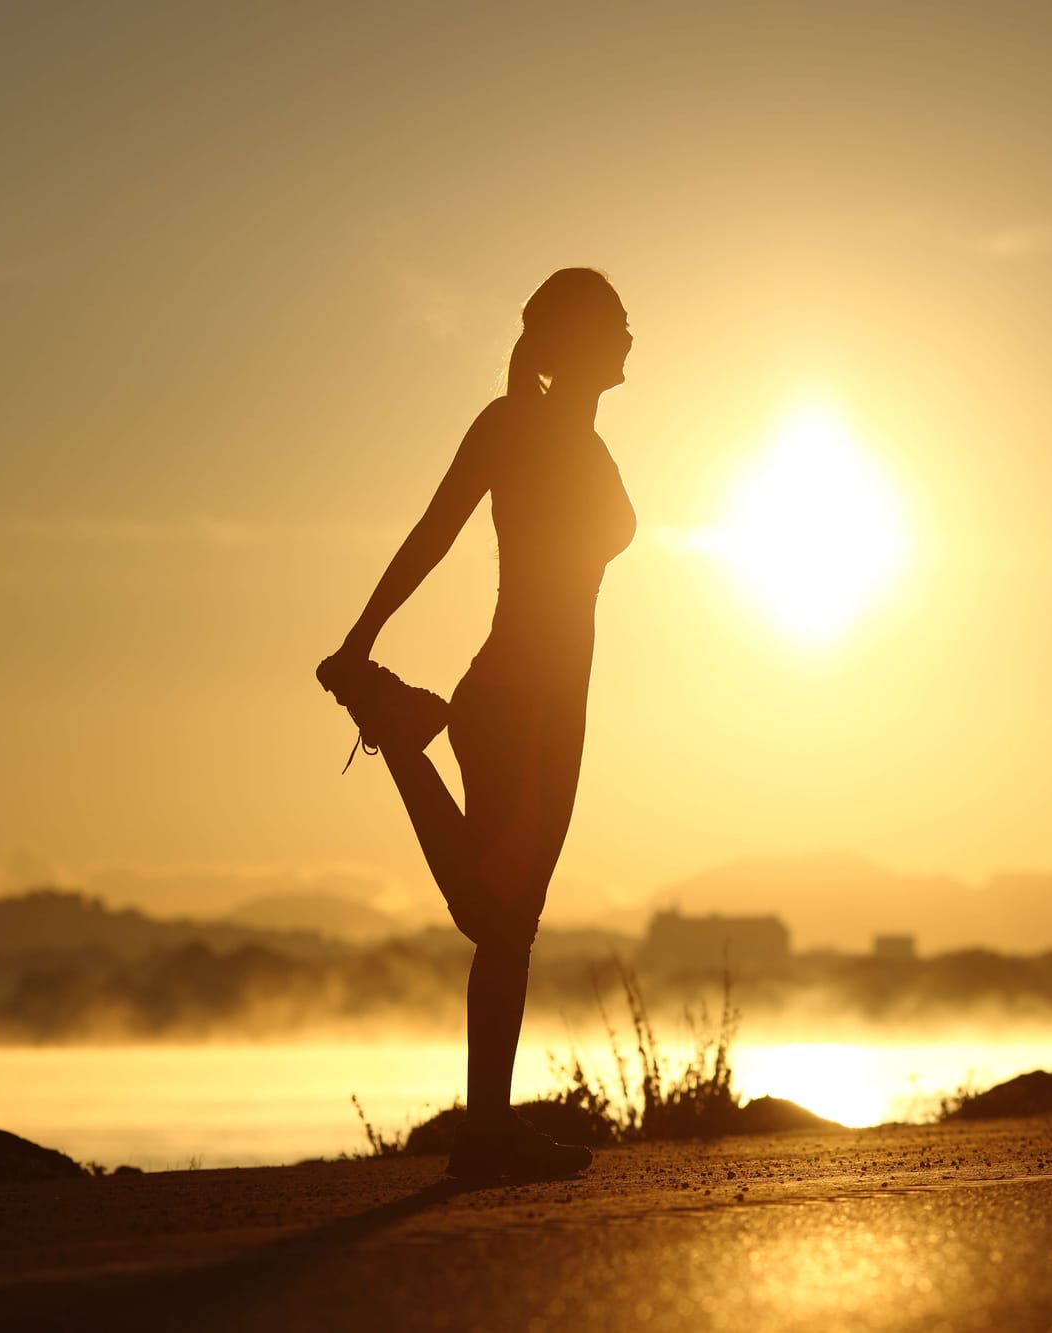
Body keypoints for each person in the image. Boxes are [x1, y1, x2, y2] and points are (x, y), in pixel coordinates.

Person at [316, 268, 636, 1183]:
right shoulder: (514, 426)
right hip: (527, 699)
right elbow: (435, 531)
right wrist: (360, 638)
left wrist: (362, 644)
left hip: (539, 699)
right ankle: (403, 742)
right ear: (576, 338)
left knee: (508, 919)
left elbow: (444, 528)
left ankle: (486, 1129)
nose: (629, 333)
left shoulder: (570, 438)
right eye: (614, 320)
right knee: (498, 917)